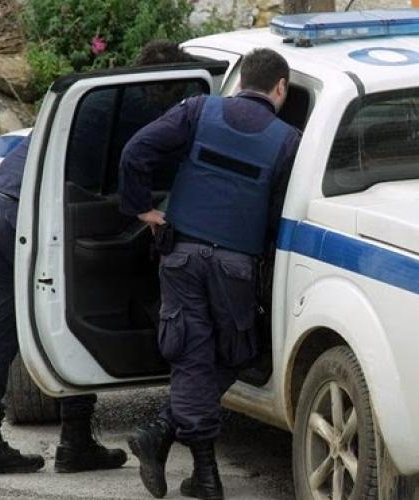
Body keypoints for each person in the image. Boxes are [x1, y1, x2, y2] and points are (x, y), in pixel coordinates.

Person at [0, 40, 196, 478]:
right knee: (77, 311)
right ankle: (74, 439)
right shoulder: (142, 114)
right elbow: (144, 170)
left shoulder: (101, 94)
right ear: (168, 86)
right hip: (33, 215)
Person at [120, 48, 300, 500]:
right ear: (280, 87)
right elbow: (279, 215)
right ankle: (204, 476)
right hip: (236, 266)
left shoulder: (199, 110)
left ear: (240, 82)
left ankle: (162, 432)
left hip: (181, 256)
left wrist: (142, 208)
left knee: (194, 356)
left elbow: (136, 151)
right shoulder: (289, 141)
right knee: (234, 353)